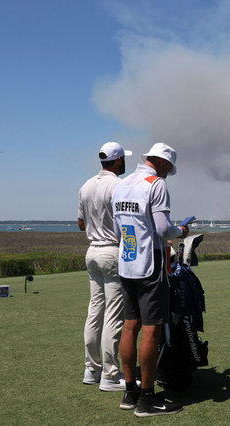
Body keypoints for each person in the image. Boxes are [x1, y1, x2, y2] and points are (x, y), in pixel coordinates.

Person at [111, 142, 189, 417]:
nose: (169, 173)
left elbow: (119, 226)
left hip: (126, 262)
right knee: (152, 330)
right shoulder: (156, 184)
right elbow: (163, 229)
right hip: (150, 263)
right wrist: (182, 230)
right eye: (169, 167)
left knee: (130, 327)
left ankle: (129, 391)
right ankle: (147, 398)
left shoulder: (121, 183)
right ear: (163, 163)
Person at [78, 141, 132, 391]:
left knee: (94, 311)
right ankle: (110, 374)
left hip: (92, 252)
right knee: (113, 314)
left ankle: (92, 369)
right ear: (119, 160)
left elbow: (81, 223)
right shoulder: (120, 186)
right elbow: (126, 224)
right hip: (112, 252)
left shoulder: (86, 185)